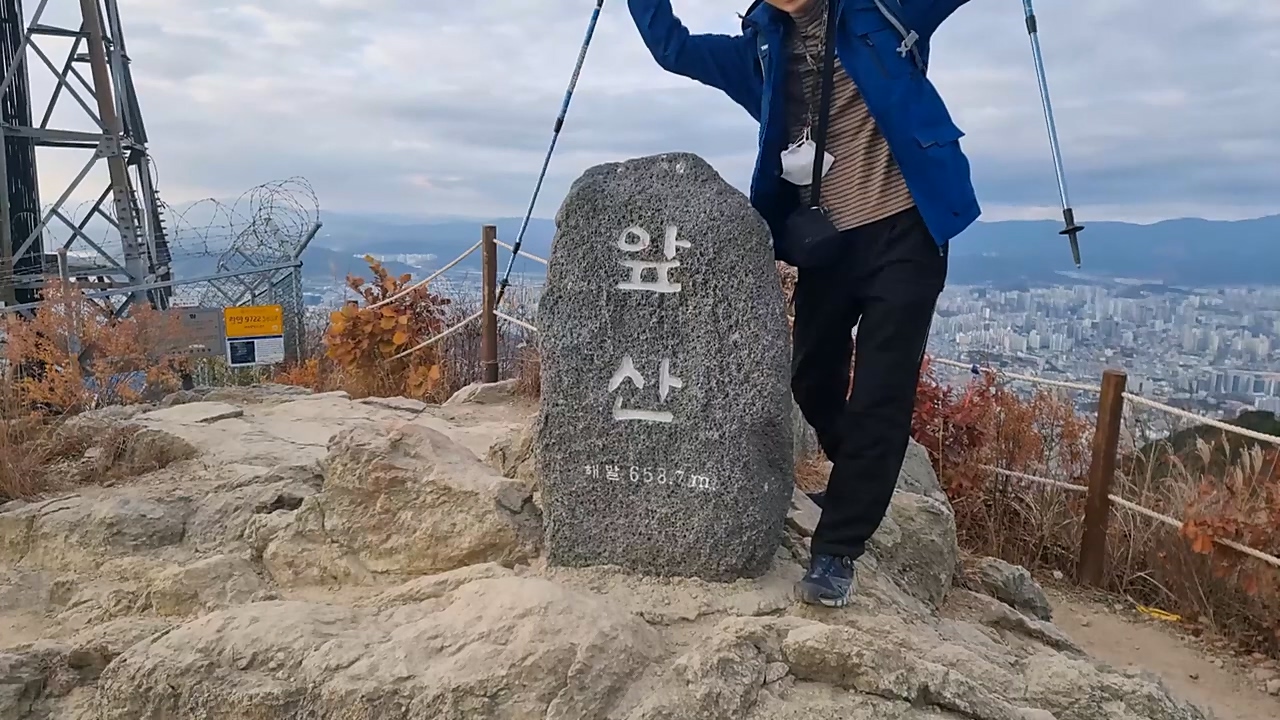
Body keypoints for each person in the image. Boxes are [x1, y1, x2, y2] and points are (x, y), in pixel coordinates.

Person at [626, 0, 979, 607]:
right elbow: (673, 48)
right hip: (829, 243)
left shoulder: (887, 11)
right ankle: (858, 477)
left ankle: (837, 549)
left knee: (881, 394)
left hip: (908, 232)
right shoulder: (759, 54)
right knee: (811, 377)